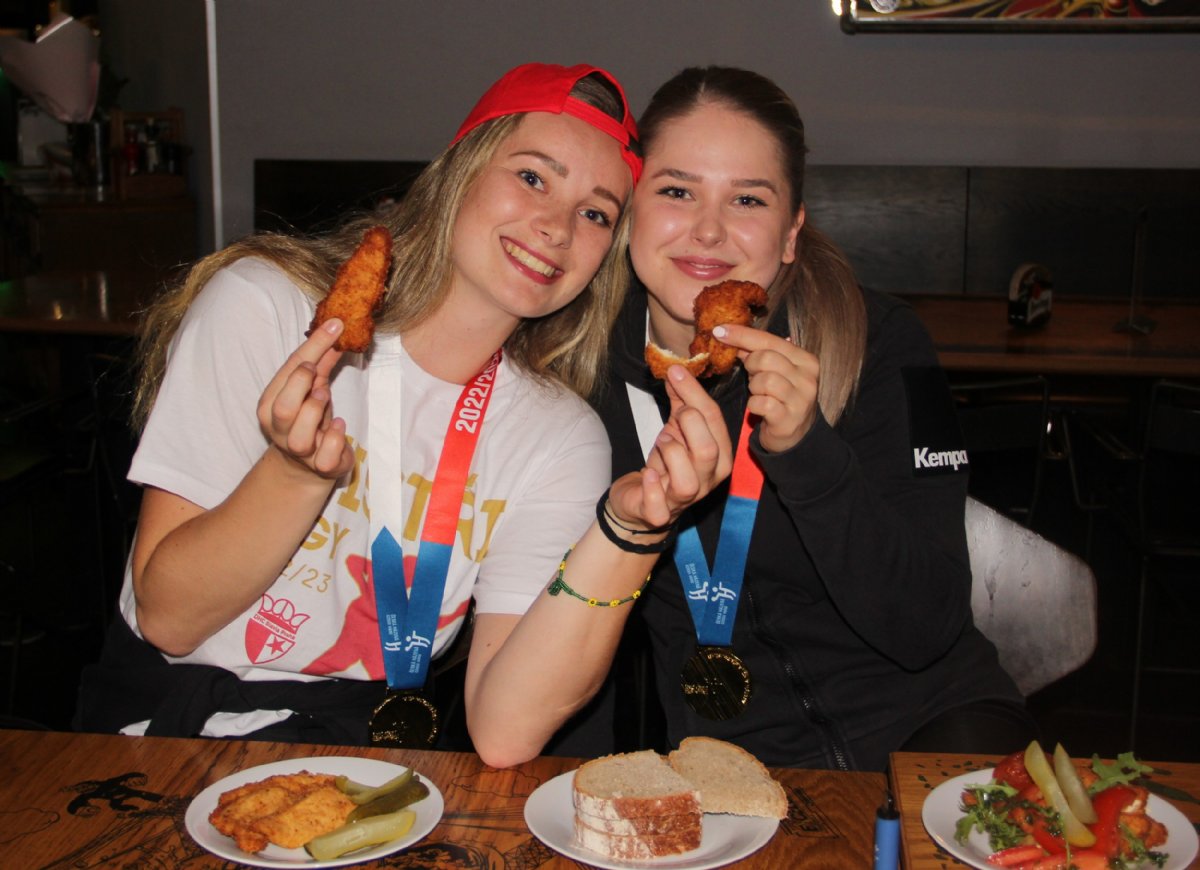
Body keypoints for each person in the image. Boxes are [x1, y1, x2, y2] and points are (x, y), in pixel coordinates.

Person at [75, 63, 732, 769]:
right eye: (532, 177)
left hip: (366, 767)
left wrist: (631, 530)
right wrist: (295, 476)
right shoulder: (268, 309)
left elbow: (506, 732)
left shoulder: (560, 435)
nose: (556, 227)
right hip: (160, 738)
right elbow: (168, 619)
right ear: (460, 172)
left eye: (596, 213)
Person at [592, 66, 1038, 772]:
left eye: (748, 198)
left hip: (932, 721)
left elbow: (927, 627)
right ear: (630, 210)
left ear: (791, 233)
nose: (708, 229)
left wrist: (806, 452)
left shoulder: (882, 340)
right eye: (677, 191)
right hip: (731, 761)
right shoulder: (578, 375)